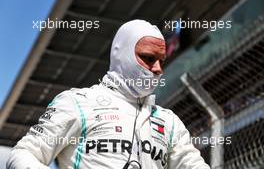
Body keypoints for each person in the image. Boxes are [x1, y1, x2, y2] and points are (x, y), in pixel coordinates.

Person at [7, 20, 210, 169]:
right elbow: (22, 155)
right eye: (148, 58)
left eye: (161, 61)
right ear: (121, 54)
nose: (157, 69)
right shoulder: (77, 102)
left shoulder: (169, 121)